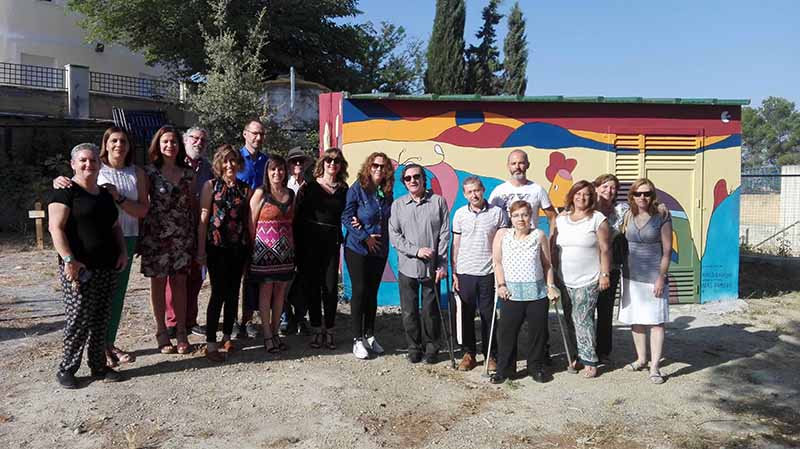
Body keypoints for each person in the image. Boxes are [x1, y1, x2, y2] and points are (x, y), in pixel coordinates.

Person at [52, 127, 149, 368]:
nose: (119, 145)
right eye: (114, 140)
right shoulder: (80, 180)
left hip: (118, 247)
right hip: (83, 257)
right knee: (81, 313)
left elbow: (130, 217)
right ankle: (72, 365)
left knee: (108, 306)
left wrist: (119, 199)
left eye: (124, 141)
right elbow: (58, 224)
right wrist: (68, 260)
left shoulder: (125, 180)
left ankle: (103, 354)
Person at [49, 143, 128, 388]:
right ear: (73, 164)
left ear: (99, 164)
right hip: (80, 268)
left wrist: (123, 251)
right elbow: (56, 228)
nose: (88, 164)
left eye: (93, 160)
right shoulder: (65, 192)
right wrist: (69, 260)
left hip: (107, 266)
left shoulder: (105, 194)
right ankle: (67, 369)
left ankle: (99, 366)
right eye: (83, 160)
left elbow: (115, 227)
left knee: (101, 318)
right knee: (78, 319)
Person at [594, 174, 669, 361]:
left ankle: (603, 352)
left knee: (605, 311)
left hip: (611, 268)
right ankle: (583, 352)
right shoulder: (588, 208)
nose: (608, 191)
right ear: (596, 188)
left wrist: (660, 205)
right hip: (589, 267)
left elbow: (647, 209)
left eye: (612, 188)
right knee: (585, 313)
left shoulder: (622, 210)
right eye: (604, 186)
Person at [139, 126, 196, 355]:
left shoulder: (188, 173)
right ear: (157, 145)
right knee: (159, 284)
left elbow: (191, 204)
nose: (169, 145)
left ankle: (181, 331)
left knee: (180, 283)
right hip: (156, 237)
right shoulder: (149, 172)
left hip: (182, 236)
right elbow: (144, 204)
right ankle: (162, 331)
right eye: (165, 142)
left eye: (173, 141)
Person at [489, 201, 558, 384]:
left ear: (531, 217)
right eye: (516, 215)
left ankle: (536, 367)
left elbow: (547, 265)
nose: (521, 219)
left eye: (525, 215)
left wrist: (550, 286)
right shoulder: (503, 235)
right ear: (510, 217)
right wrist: (501, 285)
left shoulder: (538, 235)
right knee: (507, 333)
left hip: (536, 293)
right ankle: (504, 369)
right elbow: (497, 263)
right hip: (511, 293)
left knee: (538, 333)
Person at [388, 164, 450, 364]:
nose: (413, 181)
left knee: (431, 311)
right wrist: (416, 251)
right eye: (408, 178)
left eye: (417, 177)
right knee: (409, 311)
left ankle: (432, 347)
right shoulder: (398, 205)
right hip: (408, 267)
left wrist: (441, 263)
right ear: (404, 183)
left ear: (424, 179)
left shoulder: (438, 202)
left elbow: (444, 234)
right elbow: (395, 236)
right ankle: (414, 346)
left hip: (431, 268)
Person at [196, 145, 252, 362]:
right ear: (219, 164)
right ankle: (210, 344)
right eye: (225, 161)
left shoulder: (245, 189)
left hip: (238, 248)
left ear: (239, 164)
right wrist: (200, 250)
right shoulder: (210, 186)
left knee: (233, 293)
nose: (230, 165)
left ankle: (227, 337)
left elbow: (247, 222)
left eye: (233, 161)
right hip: (216, 247)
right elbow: (203, 220)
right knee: (218, 293)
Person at [553, 180, 611, 378]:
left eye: (586, 194)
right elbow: (554, 247)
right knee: (569, 318)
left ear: (591, 197)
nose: (582, 197)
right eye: (578, 194)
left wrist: (605, 274)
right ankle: (576, 355)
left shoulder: (597, 219)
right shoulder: (562, 219)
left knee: (583, 318)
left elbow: (605, 248)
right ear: (572, 196)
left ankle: (590, 360)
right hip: (565, 278)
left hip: (589, 278)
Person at [618, 178, 673, 384]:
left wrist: (661, 277)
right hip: (631, 276)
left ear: (653, 195)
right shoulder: (627, 214)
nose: (643, 197)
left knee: (656, 322)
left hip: (653, 278)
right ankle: (641, 359)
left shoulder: (662, 216)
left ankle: (655, 367)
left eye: (647, 193)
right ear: (632, 195)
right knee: (637, 320)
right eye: (638, 193)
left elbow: (667, 251)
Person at [295, 148, 349, 350]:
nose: (332, 164)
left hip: (331, 243)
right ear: (322, 162)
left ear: (341, 165)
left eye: (336, 161)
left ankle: (330, 329)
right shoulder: (308, 188)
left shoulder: (344, 189)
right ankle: (316, 328)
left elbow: (350, 212)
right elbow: (297, 218)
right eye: (328, 160)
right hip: (309, 242)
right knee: (312, 286)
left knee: (330, 287)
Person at [342, 152, 394, 359]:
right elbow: (346, 216)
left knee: (373, 292)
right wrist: (365, 236)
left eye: (382, 166)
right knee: (360, 290)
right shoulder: (358, 188)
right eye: (375, 165)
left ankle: (370, 335)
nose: (378, 169)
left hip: (380, 249)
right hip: (358, 248)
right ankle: (357, 339)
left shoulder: (387, 192)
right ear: (368, 167)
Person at [451, 176, 506, 371]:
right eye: (469, 192)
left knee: (488, 315)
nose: (474, 195)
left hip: (488, 272)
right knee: (465, 314)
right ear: (464, 195)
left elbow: (501, 243)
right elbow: (456, 245)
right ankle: (469, 354)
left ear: (483, 190)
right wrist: (454, 272)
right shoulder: (458, 214)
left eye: (477, 190)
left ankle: (490, 353)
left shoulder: (498, 213)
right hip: (465, 271)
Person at [165, 126, 213, 338]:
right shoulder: (174, 164)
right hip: (175, 230)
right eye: (194, 138)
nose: (198, 143)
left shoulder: (208, 168)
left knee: (196, 276)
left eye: (203, 140)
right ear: (184, 140)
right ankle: (172, 322)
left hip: (200, 229)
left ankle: (190, 319)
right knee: (174, 278)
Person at [248, 156, 295, 353]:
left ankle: (276, 333)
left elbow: (293, 220)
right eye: (273, 170)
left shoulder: (291, 194)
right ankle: (267, 336)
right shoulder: (261, 193)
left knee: (280, 295)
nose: (277, 173)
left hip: (285, 254)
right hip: (264, 254)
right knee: (266, 294)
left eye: (281, 169)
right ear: (267, 172)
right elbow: (251, 223)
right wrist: (252, 249)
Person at [236, 119, 268, 339]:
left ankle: (247, 320)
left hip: (262, 228)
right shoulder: (235, 160)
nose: (258, 138)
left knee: (253, 276)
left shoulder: (267, 162)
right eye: (255, 133)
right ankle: (232, 320)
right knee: (234, 276)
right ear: (245, 134)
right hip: (236, 226)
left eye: (262, 134)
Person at [282, 146, 312, 337]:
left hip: (306, 239)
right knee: (284, 279)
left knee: (303, 280)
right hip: (285, 237)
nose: (298, 164)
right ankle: (286, 317)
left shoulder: (311, 186)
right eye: (295, 161)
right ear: (289, 164)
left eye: (301, 161)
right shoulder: (283, 185)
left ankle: (301, 317)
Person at [488, 149, 556, 229]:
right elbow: (488, 217)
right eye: (513, 164)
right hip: (505, 239)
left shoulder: (537, 190)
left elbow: (553, 217)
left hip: (530, 239)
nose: (517, 167)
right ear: (508, 166)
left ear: (528, 165)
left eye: (521, 163)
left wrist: (551, 239)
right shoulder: (499, 191)